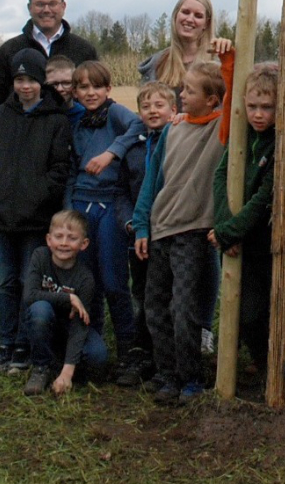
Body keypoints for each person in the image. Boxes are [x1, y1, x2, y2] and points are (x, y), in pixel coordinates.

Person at [134, 61, 227, 405]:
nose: (181, 95)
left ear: (213, 99)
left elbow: (234, 104)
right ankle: (166, 374)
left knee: (184, 308)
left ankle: (191, 378)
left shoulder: (220, 130)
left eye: (189, 90)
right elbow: (152, 179)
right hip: (161, 228)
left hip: (193, 232)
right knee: (154, 306)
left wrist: (228, 61)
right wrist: (142, 223)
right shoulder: (173, 129)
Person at [0, 49, 72, 374]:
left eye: (31, 79)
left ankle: (25, 345)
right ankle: (5, 343)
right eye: (19, 79)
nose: (25, 86)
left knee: (28, 282)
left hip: (35, 219)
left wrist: (37, 195)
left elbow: (59, 170)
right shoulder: (0, 116)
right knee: (6, 282)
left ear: (41, 81)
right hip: (2, 217)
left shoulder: (56, 120)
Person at [66, 60, 144, 365]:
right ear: (75, 91)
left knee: (113, 280)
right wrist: (68, 208)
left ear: (108, 89)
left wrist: (112, 152)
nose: (90, 92)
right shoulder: (77, 123)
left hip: (110, 204)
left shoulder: (115, 113)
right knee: (87, 280)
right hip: (81, 205)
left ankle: (128, 347)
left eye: (96, 86)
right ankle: (91, 342)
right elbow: (72, 169)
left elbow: (139, 125)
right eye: (83, 87)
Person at [209, 64, 278, 379]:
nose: (259, 114)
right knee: (245, 311)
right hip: (237, 240)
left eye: (267, 107)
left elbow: (265, 198)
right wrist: (225, 228)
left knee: (265, 311)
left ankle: (268, 367)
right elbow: (222, 175)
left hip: (266, 241)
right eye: (252, 107)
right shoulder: (241, 135)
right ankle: (251, 361)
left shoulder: (281, 142)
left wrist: (229, 231)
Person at [113, 80, 179, 387]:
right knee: (140, 295)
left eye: (159, 105)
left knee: (168, 299)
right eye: (146, 106)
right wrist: (130, 223)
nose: (152, 111)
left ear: (173, 109)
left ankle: (171, 359)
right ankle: (142, 356)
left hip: (170, 234)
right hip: (137, 237)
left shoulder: (180, 140)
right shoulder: (133, 147)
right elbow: (122, 191)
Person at [0, 0, 97, 118]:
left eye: (52, 4)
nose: (46, 10)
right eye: (40, 4)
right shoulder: (9, 50)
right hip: (21, 134)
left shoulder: (84, 50)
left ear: (63, 7)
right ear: (30, 8)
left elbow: (97, 96)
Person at [22, 210, 108, 396]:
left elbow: (80, 325)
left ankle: (63, 366)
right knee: (40, 309)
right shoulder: (40, 257)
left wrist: (67, 373)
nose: (63, 243)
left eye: (71, 238)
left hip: (70, 328)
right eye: (58, 237)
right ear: (48, 239)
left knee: (98, 357)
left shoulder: (85, 278)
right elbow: (29, 296)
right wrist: (68, 298)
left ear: (84, 244)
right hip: (44, 323)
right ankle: (41, 368)